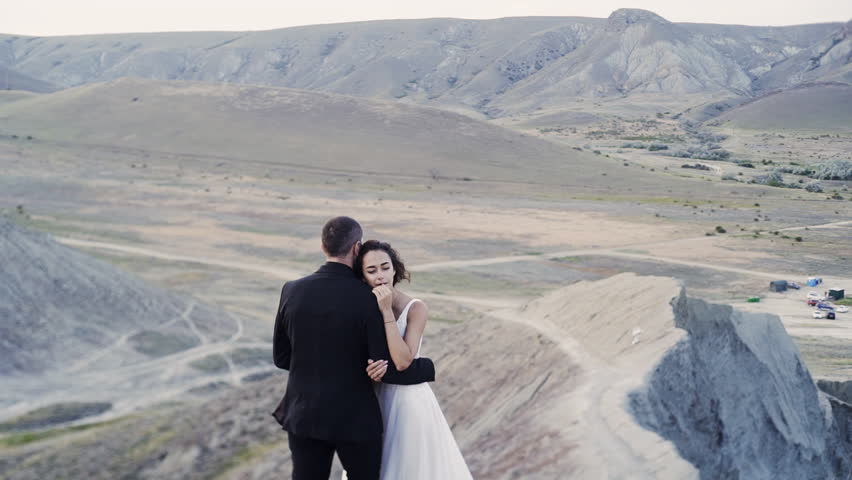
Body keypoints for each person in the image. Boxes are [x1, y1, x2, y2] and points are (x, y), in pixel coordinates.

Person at [272, 216, 436, 480]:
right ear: (357, 248)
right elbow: (387, 368)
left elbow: (281, 357)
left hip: (303, 414)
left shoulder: (291, 290)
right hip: (355, 420)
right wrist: (427, 367)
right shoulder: (369, 298)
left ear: (324, 247)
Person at [349, 240, 473, 480]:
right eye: (371, 271)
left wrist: (386, 311)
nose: (380, 276)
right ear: (362, 277)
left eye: (385, 267)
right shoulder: (362, 307)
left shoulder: (415, 308)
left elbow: (403, 360)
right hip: (375, 400)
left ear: (395, 269)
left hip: (408, 401)